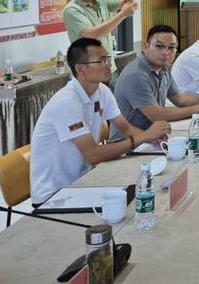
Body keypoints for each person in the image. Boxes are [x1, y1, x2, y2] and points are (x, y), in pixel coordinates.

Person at [30, 38, 171, 204]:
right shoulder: (66, 102)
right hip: (55, 194)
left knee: (147, 190)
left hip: (84, 180)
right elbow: (93, 155)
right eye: (101, 61)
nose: (108, 65)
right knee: (136, 202)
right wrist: (144, 136)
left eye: (108, 59)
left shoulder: (102, 91)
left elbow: (126, 129)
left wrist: (153, 138)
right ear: (80, 68)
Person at [110, 25, 199, 141]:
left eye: (171, 47)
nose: (166, 52)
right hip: (128, 144)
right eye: (159, 46)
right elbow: (157, 115)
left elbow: (180, 98)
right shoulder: (135, 75)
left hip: (154, 138)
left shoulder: (163, 69)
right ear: (146, 46)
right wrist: (198, 108)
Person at [62, 0, 139, 73]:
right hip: (88, 72)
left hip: (108, 67)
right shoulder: (71, 10)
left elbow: (124, 1)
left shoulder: (101, 0)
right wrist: (122, 15)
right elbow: (93, 33)